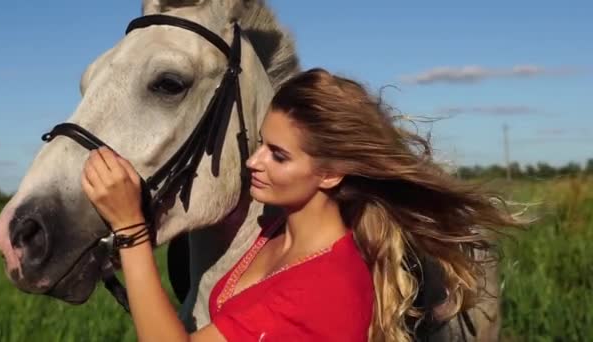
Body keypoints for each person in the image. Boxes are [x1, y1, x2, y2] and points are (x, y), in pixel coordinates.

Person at [81, 68, 521, 341]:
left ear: (330, 173)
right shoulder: (274, 230)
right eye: (260, 145)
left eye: (279, 155)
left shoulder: (322, 287)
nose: (254, 162)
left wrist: (131, 229)